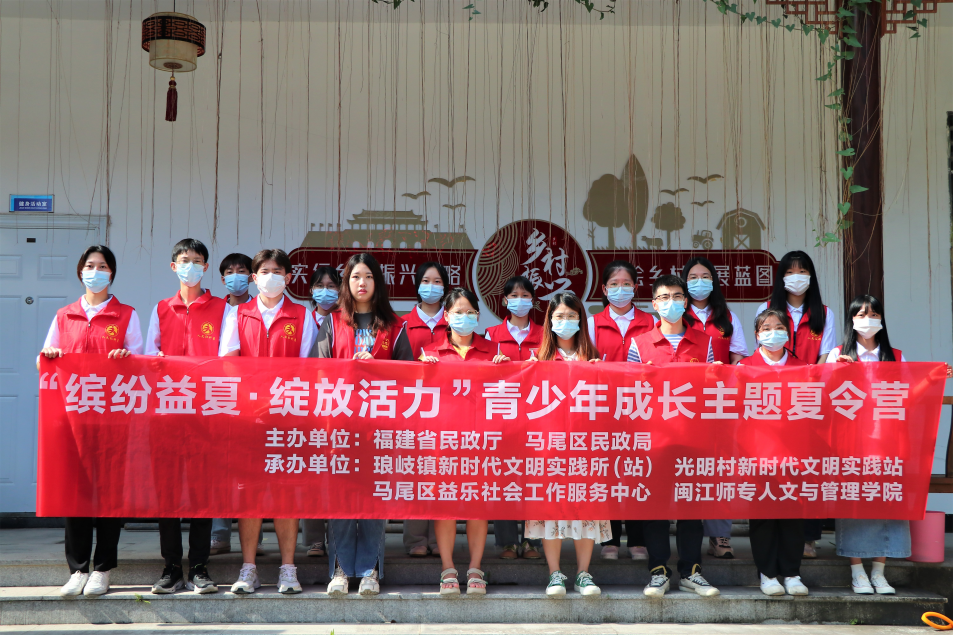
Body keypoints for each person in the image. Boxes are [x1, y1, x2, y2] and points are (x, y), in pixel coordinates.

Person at [827, 295, 952, 594]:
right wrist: (838, 372)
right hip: (851, 442)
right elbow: (824, 393)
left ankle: (879, 572)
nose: (867, 320)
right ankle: (857, 571)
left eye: (873, 314)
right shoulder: (838, 354)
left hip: (888, 440)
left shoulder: (895, 356)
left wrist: (933, 378)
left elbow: (911, 392)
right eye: (860, 314)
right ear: (851, 321)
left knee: (886, 499)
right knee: (854, 501)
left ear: (881, 319)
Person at [38, 245, 143, 598]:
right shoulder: (64, 315)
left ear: (111, 273)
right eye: (89, 265)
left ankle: (103, 569)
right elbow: (42, 363)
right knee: (75, 494)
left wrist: (126, 358)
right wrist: (49, 356)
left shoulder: (126, 315)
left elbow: (142, 363)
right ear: (80, 271)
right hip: (72, 420)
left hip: (113, 421)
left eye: (102, 266)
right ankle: (78, 569)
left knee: (110, 494)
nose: (95, 272)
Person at [310, 253, 413, 596]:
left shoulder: (394, 326)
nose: (362, 282)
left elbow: (408, 377)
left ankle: (370, 569)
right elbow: (318, 372)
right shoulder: (332, 322)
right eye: (355, 277)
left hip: (379, 427)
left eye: (368, 276)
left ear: (377, 282)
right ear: (347, 283)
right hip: (340, 424)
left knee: (373, 498)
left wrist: (378, 369)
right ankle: (340, 568)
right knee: (340, 496)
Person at [220, 248, 318, 595]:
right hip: (248, 421)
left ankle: (288, 569)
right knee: (249, 495)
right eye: (264, 271)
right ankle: (248, 569)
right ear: (254, 277)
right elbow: (228, 364)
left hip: (288, 420)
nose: (271, 277)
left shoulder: (302, 316)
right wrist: (252, 402)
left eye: (277, 271)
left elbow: (309, 370)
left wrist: (279, 403)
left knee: (286, 494)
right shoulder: (237, 314)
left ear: (288, 278)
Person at [144, 238, 228, 595]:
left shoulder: (223, 309)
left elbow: (228, 359)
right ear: (173, 266)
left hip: (207, 416)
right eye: (183, 260)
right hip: (167, 415)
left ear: (205, 267)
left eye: (196, 260)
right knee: (167, 494)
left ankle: (199, 567)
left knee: (201, 494)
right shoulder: (161, 308)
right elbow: (148, 356)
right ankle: (170, 567)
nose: (189, 266)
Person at [628, 274, 719, 598]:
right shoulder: (639, 344)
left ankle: (691, 571)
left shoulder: (705, 342)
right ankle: (658, 572)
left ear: (686, 301)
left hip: (693, 438)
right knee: (655, 508)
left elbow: (712, 392)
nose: (671, 302)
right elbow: (631, 393)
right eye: (664, 297)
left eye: (677, 296)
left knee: (691, 507)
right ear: (654, 304)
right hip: (655, 440)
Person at [420, 288, 510, 595]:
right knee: (445, 505)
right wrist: (423, 371)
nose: (465, 317)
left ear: (478, 315)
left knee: (477, 505)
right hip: (443, 442)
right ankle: (447, 568)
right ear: (446, 316)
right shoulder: (430, 352)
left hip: (481, 441)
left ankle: (474, 568)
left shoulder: (493, 350)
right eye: (458, 312)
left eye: (470, 312)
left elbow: (511, 392)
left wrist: (505, 369)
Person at [523, 291, 609, 596]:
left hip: (587, 446)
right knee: (551, 509)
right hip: (548, 447)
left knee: (587, 507)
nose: (566, 321)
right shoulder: (537, 359)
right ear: (549, 320)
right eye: (559, 316)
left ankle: (584, 573)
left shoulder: (595, 357)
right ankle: (555, 574)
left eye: (572, 316)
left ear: (581, 320)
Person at [755, 250, 837, 559]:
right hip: (774, 402)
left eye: (802, 271)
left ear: (811, 276)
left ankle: (808, 537)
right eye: (790, 272)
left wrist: (808, 388)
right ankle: (778, 532)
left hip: (809, 399)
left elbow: (826, 355)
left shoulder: (824, 313)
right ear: (781, 277)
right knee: (777, 466)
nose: (796, 277)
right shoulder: (767, 308)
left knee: (809, 468)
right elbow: (762, 352)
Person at [738, 309, 810, 596]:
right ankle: (767, 574)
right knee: (763, 514)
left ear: (787, 333)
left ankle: (792, 573)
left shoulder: (802, 367)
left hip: (794, 452)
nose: (773, 332)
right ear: (757, 335)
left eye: (779, 327)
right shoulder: (744, 367)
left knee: (793, 512)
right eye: (766, 328)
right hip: (757, 452)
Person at [681, 257, 750, 559]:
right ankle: (686, 537)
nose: (700, 282)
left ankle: (719, 536)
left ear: (714, 281)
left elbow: (739, 357)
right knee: (684, 469)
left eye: (705, 276)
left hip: (718, 404)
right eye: (693, 277)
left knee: (718, 470)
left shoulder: (727, 317)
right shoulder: (678, 313)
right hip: (682, 403)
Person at [587, 260, 653, 561]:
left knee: (638, 473)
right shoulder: (592, 323)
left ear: (636, 287)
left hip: (641, 408)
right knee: (608, 474)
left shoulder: (651, 322)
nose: (620, 289)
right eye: (614, 284)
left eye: (626, 284)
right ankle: (610, 540)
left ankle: (638, 540)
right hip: (604, 409)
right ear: (604, 289)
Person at [484, 275, 544, 559]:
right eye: (514, 296)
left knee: (536, 477)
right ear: (505, 301)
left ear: (533, 300)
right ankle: (507, 541)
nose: (520, 300)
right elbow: (481, 374)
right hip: (503, 416)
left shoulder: (545, 334)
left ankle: (533, 541)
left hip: (538, 416)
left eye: (525, 295)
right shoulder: (491, 335)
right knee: (503, 476)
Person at [400, 261, 449, 557]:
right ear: (417, 285)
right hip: (414, 408)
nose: (432, 286)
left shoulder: (455, 320)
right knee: (416, 473)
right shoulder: (402, 323)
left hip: (450, 408)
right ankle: (416, 539)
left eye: (438, 281)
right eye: (426, 281)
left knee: (443, 473)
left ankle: (440, 539)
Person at [210, 252, 256, 557]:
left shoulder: (258, 308)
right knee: (221, 470)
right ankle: (219, 534)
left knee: (253, 470)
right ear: (222, 277)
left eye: (241, 271)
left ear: (251, 276)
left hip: (253, 399)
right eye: (229, 271)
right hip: (219, 397)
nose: (235, 276)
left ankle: (255, 540)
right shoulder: (215, 309)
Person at [300, 265, 342, 559]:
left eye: (331, 286)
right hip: (308, 405)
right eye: (319, 285)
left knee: (340, 474)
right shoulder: (303, 319)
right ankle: (315, 540)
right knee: (312, 474)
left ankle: (339, 539)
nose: (325, 291)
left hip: (341, 405)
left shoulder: (345, 321)